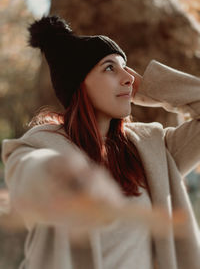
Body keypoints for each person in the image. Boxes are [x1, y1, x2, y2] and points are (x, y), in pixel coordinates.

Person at [1, 15, 200, 269]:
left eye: (126, 68)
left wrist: (150, 88)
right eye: (109, 68)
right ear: (79, 86)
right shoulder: (40, 144)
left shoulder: (154, 148)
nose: (128, 77)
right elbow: (26, 172)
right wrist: (65, 173)